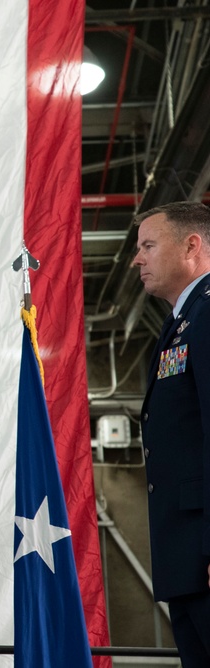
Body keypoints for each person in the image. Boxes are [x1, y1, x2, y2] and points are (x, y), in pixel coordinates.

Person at [133, 201, 210, 666]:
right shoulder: (183, 322)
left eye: (148, 245)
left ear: (191, 246)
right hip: (185, 556)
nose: (137, 259)